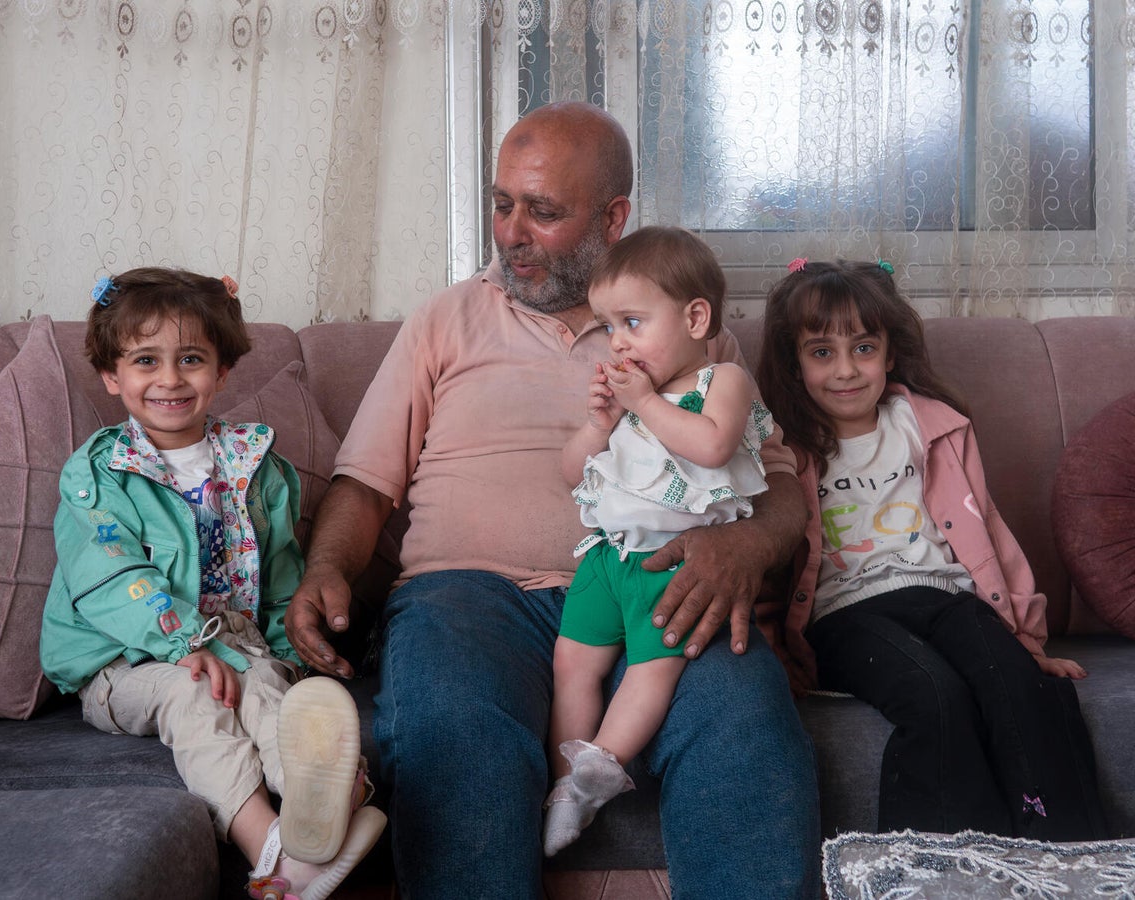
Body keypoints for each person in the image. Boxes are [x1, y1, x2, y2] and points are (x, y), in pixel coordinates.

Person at [286, 102, 821, 898]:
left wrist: (746, 546)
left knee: (744, 715)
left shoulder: (687, 336)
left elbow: (778, 484)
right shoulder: (447, 318)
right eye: (502, 204)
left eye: (543, 212)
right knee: (455, 732)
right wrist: (325, 567)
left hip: (660, 581)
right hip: (468, 594)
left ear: (613, 217)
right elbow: (365, 482)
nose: (512, 232)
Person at [39, 267, 387, 900]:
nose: (170, 379)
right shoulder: (98, 474)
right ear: (112, 376)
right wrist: (183, 647)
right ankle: (276, 855)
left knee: (266, 688)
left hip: (235, 641)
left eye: (191, 359)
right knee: (196, 698)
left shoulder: (257, 466)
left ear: (222, 369)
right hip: (126, 658)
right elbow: (112, 577)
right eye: (146, 360)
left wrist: (289, 653)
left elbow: (281, 575)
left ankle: (327, 800)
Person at [755, 257, 1108, 840]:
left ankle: (1064, 857)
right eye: (822, 353)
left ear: (890, 354)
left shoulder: (932, 426)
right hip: (848, 615)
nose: (846, 370)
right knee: (935, 694)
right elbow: (766, 563)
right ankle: (937, 869)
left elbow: (987, 532)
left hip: (944, 597)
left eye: (863, 348)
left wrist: (1022, 641)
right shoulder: (785, 449)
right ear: (795, 364)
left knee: (1027, 688)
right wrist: (775, 659)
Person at [544, 226, 773, 856]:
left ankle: (599, 771)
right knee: (571, 662)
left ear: (695, 317)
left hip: (668, 562)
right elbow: (574, 475)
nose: (618, 342)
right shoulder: (630, 399)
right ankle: (564, 782)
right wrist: (598, 426)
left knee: (653, 668)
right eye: (608, 326)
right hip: (607, 554)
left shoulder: (721, 380)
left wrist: (643, 403)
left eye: (633, 322)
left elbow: (712, 444)